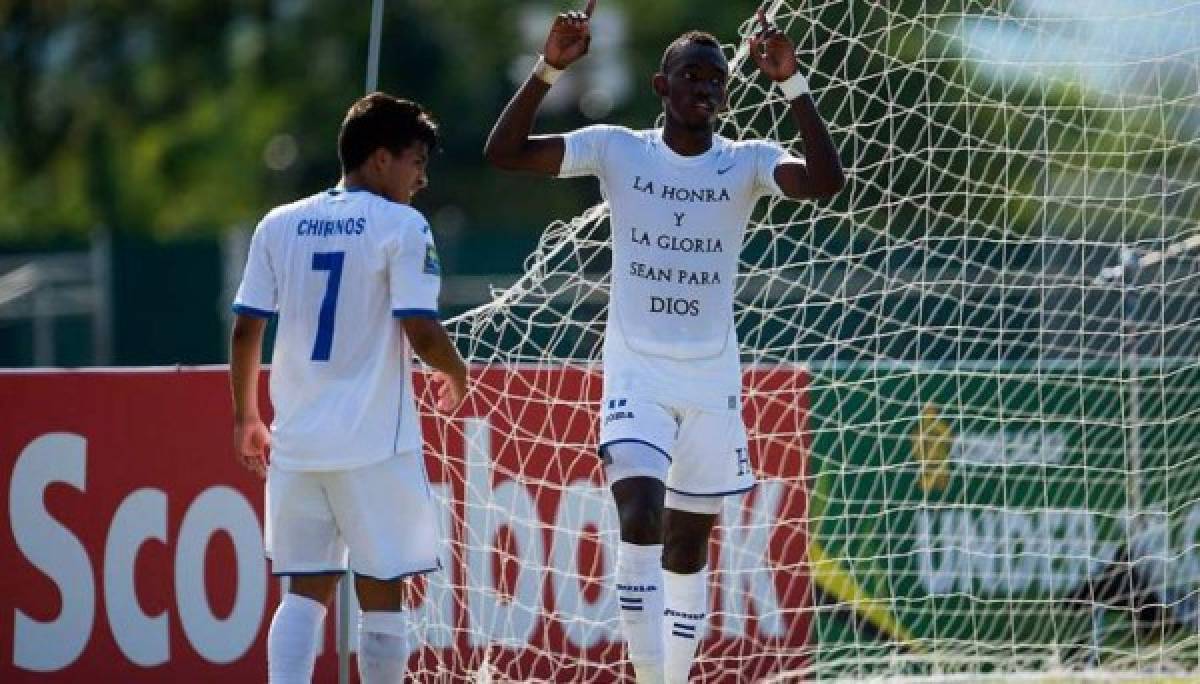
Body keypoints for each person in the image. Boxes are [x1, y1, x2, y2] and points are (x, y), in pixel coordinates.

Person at [484, 2, 844, 682]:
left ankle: (671, 677)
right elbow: (503, 154)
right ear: (661, 85)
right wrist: (548, 68)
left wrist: (794, 85)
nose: (704, 88)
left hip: (710, 383)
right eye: (691, 76)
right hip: (637, 377)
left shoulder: (747, 162)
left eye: (715, 79)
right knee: (641, 512)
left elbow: (825, 183)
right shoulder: (617, 148)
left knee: (686, 546)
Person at [229, 92, 468, 684]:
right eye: (416, 161)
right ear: (381, 159)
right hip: (372, 445)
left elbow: (245, 328)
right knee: (382, 590)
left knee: (304, 593)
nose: (422, 177)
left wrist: (246, 417)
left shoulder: (278, 223)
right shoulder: (402, 225)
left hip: (299, 443)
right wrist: (456, 370)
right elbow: (420, 328)